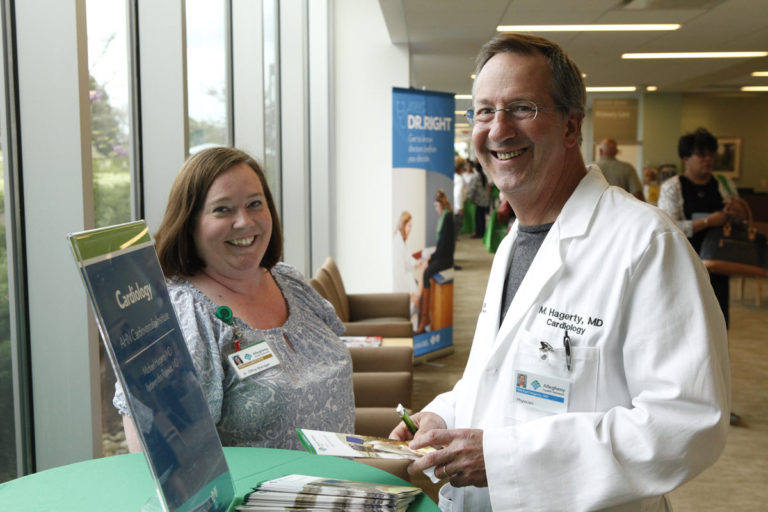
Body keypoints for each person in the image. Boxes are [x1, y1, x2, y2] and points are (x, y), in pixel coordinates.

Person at [391, 33, 729, 511]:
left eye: (522, 107)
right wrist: (441, 415)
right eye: (484, 111)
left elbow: (687, 424)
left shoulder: (646, 245)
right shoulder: (516, 242)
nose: (498, 129)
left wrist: (505, 458)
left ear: (573, 126)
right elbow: (495, 378)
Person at [114, 147, 355, 451]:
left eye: (255, 204)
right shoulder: (181, 317)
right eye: (222, 209)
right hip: (257, 499)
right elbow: (160, 457)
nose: (244, 222)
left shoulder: (289, 282)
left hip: (343, 493)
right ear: (189, 223)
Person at [657, 127, 742, 425]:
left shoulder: (724, 183)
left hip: (717, 269)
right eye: (700, 154)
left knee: (717, 335)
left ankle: (718, 402)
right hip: (682, 270)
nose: (707, 160)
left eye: (710, 154)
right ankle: (682, 401)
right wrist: (708, 221)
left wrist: (733, 212)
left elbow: (739, 216)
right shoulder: (673, 187)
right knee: (683, 335)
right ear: (685, 158)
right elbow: (665, 226)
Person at [416, 189, 455, 333]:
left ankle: (425, 317)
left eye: (436, 206)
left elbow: (444, 247)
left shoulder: (447, 218)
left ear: (441, 205)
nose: (436, 209)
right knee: (425, 269)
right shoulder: (445, 217)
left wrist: (432, 256)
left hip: (446, 259)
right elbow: (441, 245)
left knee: (426, 272)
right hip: (442, 255)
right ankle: (424, 316)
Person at [392, 211, 428, 331]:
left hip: (408, 285)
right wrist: (411, 295)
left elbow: (407, 258)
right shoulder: (397, 242)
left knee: (413, 316)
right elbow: (400, 273)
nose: (411, 229)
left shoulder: (401, 241)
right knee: (410, 318)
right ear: (403, 224)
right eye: (409, 226)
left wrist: (417, 263)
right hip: (404, 289)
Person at [464, 159, 491, 238]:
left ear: (475, 168)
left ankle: (478, 233)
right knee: (482, 217)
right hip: (484, 200)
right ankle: (482, 233)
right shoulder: (483, 175)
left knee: (478, 217)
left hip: (479, 201)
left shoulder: (476, 176)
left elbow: (472, 188)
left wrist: (468, 197)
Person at [453, 157, 467, 241]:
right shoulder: (459, 179)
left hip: (452, 206)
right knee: (456, 226)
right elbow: (457, 194)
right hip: (456, 208)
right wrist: (460, 207)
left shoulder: (453, 176)